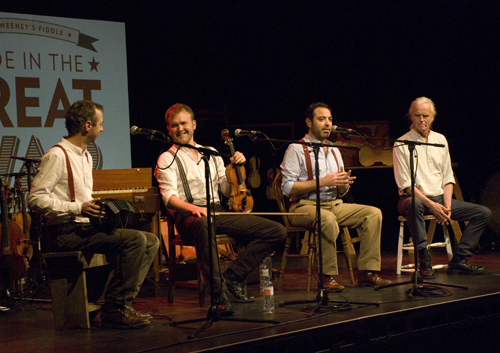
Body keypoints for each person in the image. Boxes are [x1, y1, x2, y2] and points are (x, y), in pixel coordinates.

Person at [28, 100, 159, 329]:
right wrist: (77, 208)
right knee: (135, 240)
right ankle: (115, 308)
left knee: (151, 240)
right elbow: (35, 200)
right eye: (100, 124)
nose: (102, 129)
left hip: (84, 229)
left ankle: (120, 303)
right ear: (88, 125)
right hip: (65, 233)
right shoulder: (57, 156)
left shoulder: (86, 156)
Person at [155, 103, 286, 316]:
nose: (180, 129)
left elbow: (226, 190)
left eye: (184, 123)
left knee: (276, 231)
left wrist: (236, 168)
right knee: (204, 223)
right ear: (168, 129)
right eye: (174, 125)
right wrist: (194, 209)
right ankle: (218, 296)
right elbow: (168, 198)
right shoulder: (167, 158)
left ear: (194, 125)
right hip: (189, 216)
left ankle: (233, 275)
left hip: (216, 211)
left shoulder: (211, 153)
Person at [280, 102, 391, 290]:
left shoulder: (334, 150)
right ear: (309, 122)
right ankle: (326, 276)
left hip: (334, 204)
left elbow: (339, 188)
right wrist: (322, 182)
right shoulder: (296, 149)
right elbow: (287, 187)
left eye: (329, 119)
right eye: (321, 119)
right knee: (328, 219)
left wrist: (342, 186)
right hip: (303, 206)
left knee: (373, 214)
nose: (327, 124)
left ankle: (367, 272)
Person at [393, 97, 491, 278]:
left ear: (432, 117)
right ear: (411, 117)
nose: (422, 120)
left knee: (483, 212)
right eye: (417, 115)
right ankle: (424, 259)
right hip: (413, 199)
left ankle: (459, 259)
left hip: (439, 198)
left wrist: (446, 206)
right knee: (414, 204)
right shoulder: (402, 143)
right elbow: (406, 185)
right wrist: (432, 205)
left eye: (426, 116)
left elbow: (447, 177)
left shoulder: (440, 140)